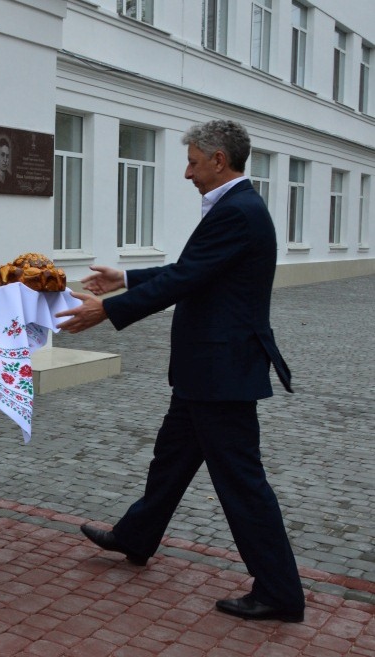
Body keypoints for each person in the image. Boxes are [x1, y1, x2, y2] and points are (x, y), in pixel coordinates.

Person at [56, 119, 305, 623]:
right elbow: (194, 270)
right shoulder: (235, 208)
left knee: (241, 482)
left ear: (218, 159)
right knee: (170, 461)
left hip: (221, 373)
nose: (187, 172)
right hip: (206, 370)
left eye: (193, 161)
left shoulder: (238, 211)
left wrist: (107, 310)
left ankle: (280, 591)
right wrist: (125, 278)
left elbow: (187, 278)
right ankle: (136, 536)